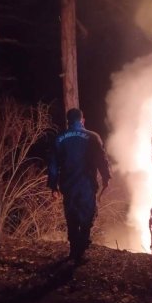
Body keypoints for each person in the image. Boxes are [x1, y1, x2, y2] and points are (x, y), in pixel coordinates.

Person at [48, 108, 111, 262]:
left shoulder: (60, 138)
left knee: (71, 216)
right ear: (82, 120)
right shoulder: (93, 137)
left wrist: (53, 186)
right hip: (87, 185)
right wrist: (106, 177)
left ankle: (75, 249)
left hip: (68, 185)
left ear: (69, 121)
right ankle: (81, 247)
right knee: (89, 215)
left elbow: (53, 164)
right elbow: (101, 160)